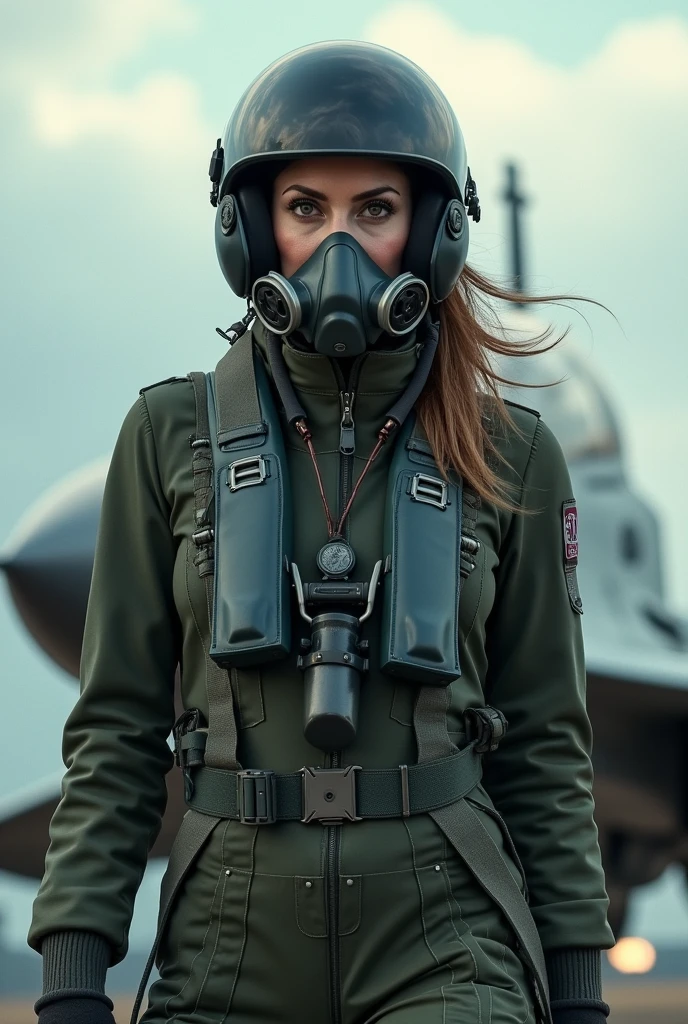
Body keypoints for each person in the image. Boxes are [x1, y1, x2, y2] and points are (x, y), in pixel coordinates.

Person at [28, 40, 615, 1024]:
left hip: (445, 934)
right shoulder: (168, 436)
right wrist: (72, 975)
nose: (337, 245)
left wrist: (579, 992)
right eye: (306, 209)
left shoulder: (509, 451)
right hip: (225, 938)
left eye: (374, 210)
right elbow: (117, 730)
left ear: (428, 234)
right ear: (254, 231)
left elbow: (548, 742)